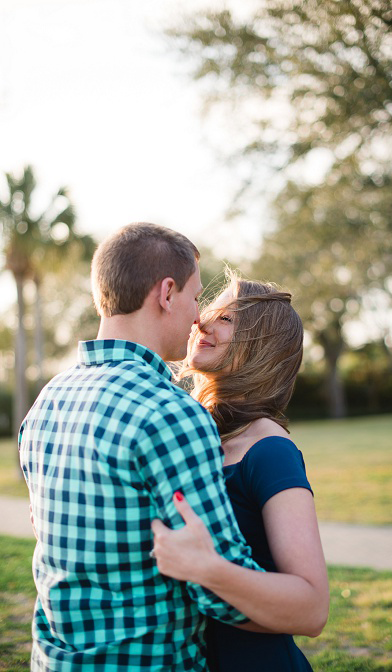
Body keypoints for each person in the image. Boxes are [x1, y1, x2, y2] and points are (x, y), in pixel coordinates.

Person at [17, 223, 265, 670]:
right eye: (194, 297)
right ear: (166, 293)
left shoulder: (47, 402)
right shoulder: (170, 414)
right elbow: (223, 595)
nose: (197, 317)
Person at [150, 270, 329, 671]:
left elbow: (313, 608)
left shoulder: (269, 451)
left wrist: (208, 570)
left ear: (262, 345)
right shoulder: (184, 434)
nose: (201, 322)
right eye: (208, 311)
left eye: (227, 319)